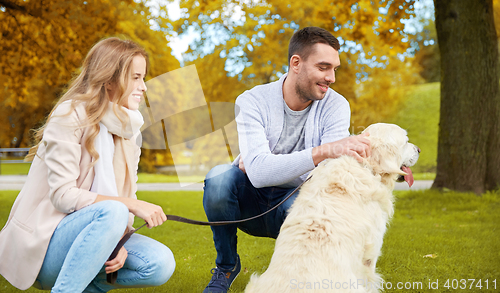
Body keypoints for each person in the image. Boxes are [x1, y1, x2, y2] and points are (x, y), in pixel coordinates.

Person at [202, 27, 371, 293]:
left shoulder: (336, 106)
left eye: (334, 69)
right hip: (252, 203)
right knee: (220, 177)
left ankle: (301, 279)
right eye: (324, 67)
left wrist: (267, 165)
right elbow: (258, 175)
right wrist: (323, 151)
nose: (331, 77)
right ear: (296, 63)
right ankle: (226, 267)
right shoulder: (252, 100)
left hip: (299, 204)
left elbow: (329, 177)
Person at [0, 38, 175, 292]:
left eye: (143, 78)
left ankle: (79, 284)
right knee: (113, 209)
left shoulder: (130, 130)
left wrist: (119, 240)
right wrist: (132, 206)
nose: (143, 87)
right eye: (135, 78)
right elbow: (63, 196)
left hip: (95, 233)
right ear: (109, 80)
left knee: (160, 263)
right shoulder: (70, 115)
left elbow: (126, 195)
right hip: (45, 245)